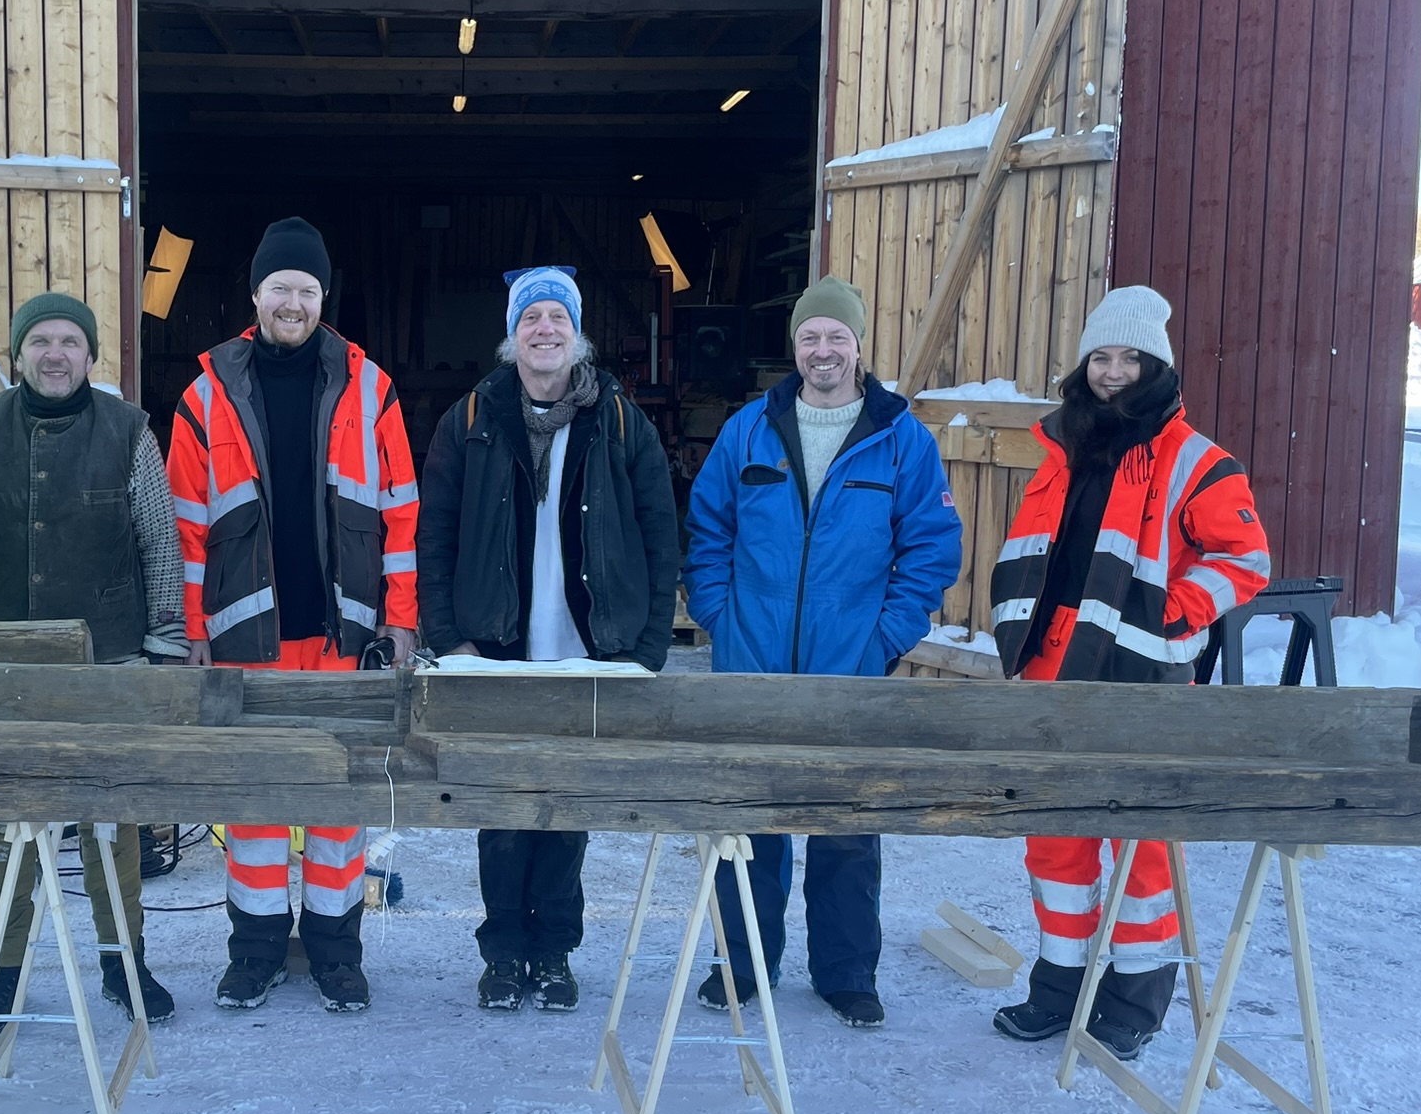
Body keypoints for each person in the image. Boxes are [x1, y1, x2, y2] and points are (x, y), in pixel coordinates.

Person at [990, 285, 1270, 1060]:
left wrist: (1173, 614)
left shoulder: (1198, 461)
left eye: (1129, 358)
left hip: (1141, 682)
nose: (1113, 372)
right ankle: (1058, 989)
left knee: (1141, 846)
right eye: (1101, 357)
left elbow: (1246, 561)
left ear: (1156, 366)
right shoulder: (1064, 448)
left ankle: (1135, 1004)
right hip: (1052, 670)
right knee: (1054, 837)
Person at [683, 275, 961, 1029]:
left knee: (846, 824)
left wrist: (886, 635)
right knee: (750, 825)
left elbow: (932, 550)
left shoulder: (900, 437)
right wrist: (720, 614)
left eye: (837, 336)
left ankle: (845, 974)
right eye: (811, 336)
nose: (823, 349)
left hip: (851, 667)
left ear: (860, 344)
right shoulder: (749, 430)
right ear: (795, 346)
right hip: (754, 663)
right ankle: (743, 968)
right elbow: (706, 530)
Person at [166, 216, 418, 1014]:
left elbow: (400, 514)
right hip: (247, 638)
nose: (294, 302)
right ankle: (258, 951)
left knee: (339, 806)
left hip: (343, 637)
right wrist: (193, 631)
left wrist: (401, 619)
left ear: (322, 298)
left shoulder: (371, 386)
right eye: (281, 287)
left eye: (307, 290)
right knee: (256, 803)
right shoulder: (205, 393)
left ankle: (338, 952)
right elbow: (185, 525)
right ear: (255, 294)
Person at [0, 292, 187, 1036]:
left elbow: (159, 543)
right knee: (4, 825)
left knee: (112, 818)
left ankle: (122, 961)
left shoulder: (129, 430)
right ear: (17, 353)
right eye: (40, 340)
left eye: (71, 340)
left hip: (108, 657)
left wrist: (164, 638)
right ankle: (2, 973)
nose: (55, 354)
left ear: (91, 355)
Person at [417, 266, 677, 1013]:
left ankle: (555, 954)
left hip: (591, 650)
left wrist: (648, 646)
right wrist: (448, 638)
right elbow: (434, 537)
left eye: (557, 317)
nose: (544, 329)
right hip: (493, 649)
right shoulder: (469, 419)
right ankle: (503, 954)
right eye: (531, 317)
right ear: (512, 334)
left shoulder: (620, 420)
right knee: (500, 812)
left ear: (577, 332)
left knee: (565, 810)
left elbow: (662, 535)